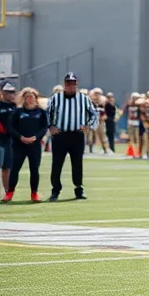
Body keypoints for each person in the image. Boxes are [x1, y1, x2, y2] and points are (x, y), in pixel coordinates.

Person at [46, 72, 98, 202]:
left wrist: (88, 125)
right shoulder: (55, 98)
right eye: (69, 83)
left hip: (77, 135)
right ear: (65, 85)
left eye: (73, 83)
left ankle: (78, 189)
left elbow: (93, 114)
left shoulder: (84, 98)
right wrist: (50, 126)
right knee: (57, 164)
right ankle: (55, 190)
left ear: (77, 84)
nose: (71, 86)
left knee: (77, 163)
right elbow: (47, 114)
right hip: (60, 135)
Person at [4, 88, 48, 202]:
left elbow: (44, 128)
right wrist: (20, 137)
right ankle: (9, 193)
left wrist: (35, 137)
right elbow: (10, 127)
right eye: (27, 96)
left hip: (34, 145)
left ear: (36, 98)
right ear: (23, 98)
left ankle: (34, 193)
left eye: (32, 96)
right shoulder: (17, 112)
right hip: (19, 145)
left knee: (34, 169)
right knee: (15, 169)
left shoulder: (41, 112)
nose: (30, 99)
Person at [0, 82, 16, 196]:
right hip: (0, 140)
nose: (11, 94)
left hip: (11, 141)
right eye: (8, 92)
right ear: (2, 92)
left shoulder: (15, 106)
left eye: (12, 92)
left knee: (7, 167)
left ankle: (7, 192)